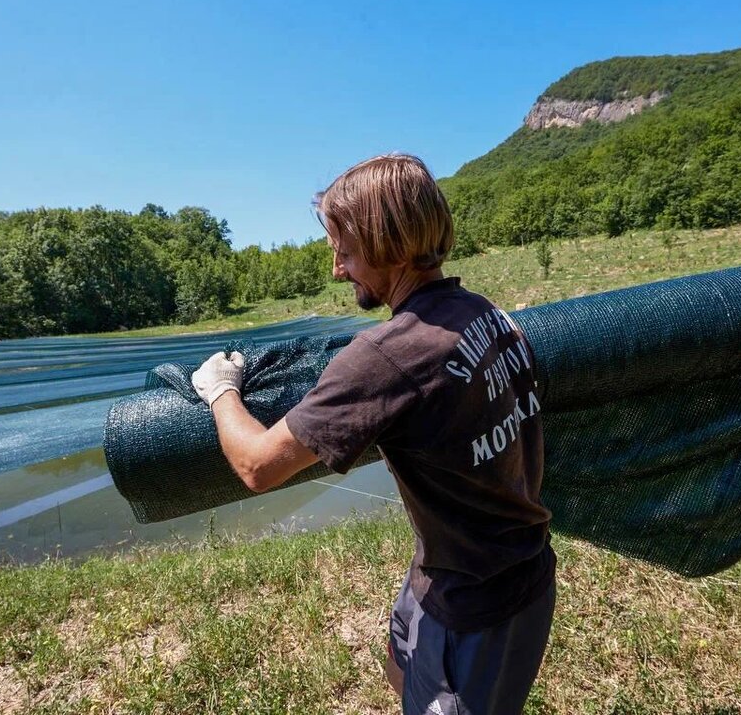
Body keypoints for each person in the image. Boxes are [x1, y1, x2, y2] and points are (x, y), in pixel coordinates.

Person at [191, 153, 555, 714]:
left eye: (347, 249)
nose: (338, 268)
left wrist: (220, 390)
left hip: (478, 606)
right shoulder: (486, 313)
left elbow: (258, 466)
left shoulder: (388, 356)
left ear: (390, 243)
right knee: (399, 669)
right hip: (480, 567)